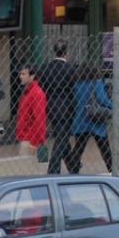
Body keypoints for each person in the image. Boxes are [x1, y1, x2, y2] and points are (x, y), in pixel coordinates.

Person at [66, 63, 115, 173]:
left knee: (79, 147)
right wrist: (114, 106)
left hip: (81, 118)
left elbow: (74, 101)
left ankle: (73, 170)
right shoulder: (96, 82)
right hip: (95, 119)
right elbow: (102, 99)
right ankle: (112, 169)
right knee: (104, 147)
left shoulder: (77, 84)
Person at [40, 40, 78, 175]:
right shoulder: (71, 69)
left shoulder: (45, 68)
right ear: (66, 53)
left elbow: (42, 87)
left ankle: (73, 168)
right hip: (66, 107)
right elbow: (75, 89)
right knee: (61, 139)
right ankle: (53, 170)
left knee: (62, 137)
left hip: (50, 106)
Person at [15, 64, 47, 150]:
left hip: (29, 139)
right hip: (24, 137)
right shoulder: (28, 92)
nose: (20, 76)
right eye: (20, 74)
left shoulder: (36, 93)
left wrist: (34, 141)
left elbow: (39, 119)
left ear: (32, 76)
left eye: (24, 74)